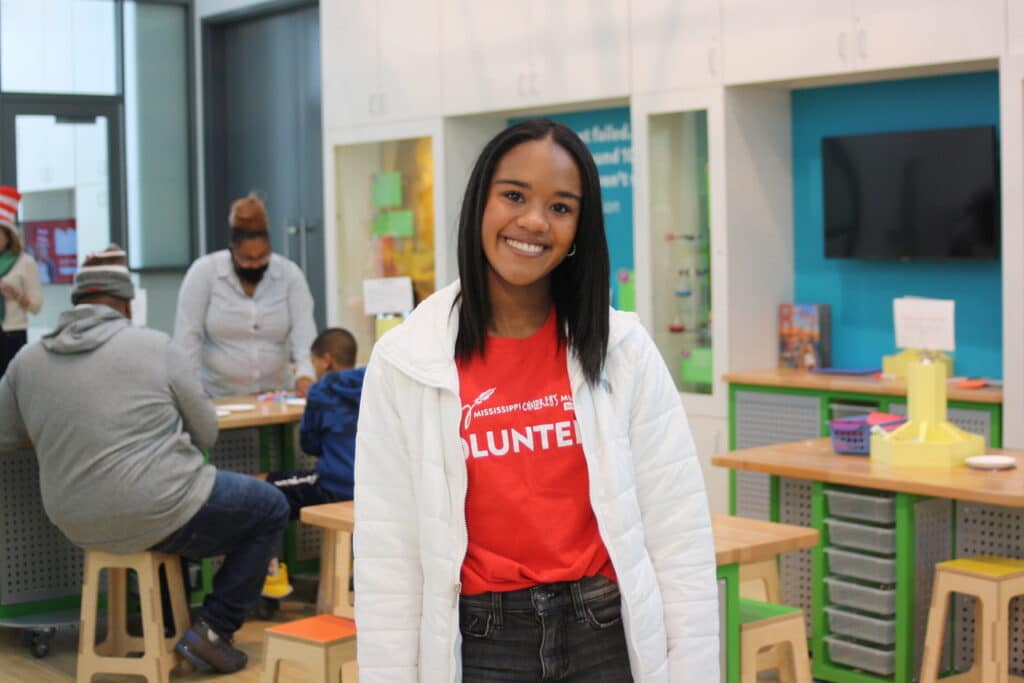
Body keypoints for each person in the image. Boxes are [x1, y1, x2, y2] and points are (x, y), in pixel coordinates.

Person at [353, 119, 719, 682]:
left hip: (604, 634)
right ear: (480, 201)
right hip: (479, 645)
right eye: (514, 196)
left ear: (579, 230)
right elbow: (388, 557)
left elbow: (678, 532)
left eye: (560, 207)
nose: (533, 221)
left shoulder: (622, 350)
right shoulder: (407, 360)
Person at [0, 246, 290, 674]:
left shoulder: (27, 361)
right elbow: (206, 432)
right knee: (270, 507)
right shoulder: (155, 346)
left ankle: (177, 622)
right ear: (125, 306)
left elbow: (6, 435)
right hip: (158, 506)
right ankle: (213, 630)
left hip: (75, 520)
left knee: (179, 511)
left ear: (76, 304)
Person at [173, 194, 317, 398]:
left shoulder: (289, 275)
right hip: (218, 396)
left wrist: (306, 375)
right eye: (248, 259)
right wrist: (189, 394)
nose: (255, 265)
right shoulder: (204, 273)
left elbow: (305, 337)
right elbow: (187, 340)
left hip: (276, 395)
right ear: (233, 249)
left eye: (262, 257)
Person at [261, 327, 366, 599]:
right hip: (372, 488)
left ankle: (269, 573)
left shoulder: (322, 390)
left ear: (327, 360)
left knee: (259, 490)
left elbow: (309, 445)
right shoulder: (373, 383)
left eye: (314, 362)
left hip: (335, 487)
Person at [0, 186, 42, 375]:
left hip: (12, 334)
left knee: (11, 381)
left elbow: (36, 307)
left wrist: (16, 295)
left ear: (8, 236)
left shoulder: (25, 262)